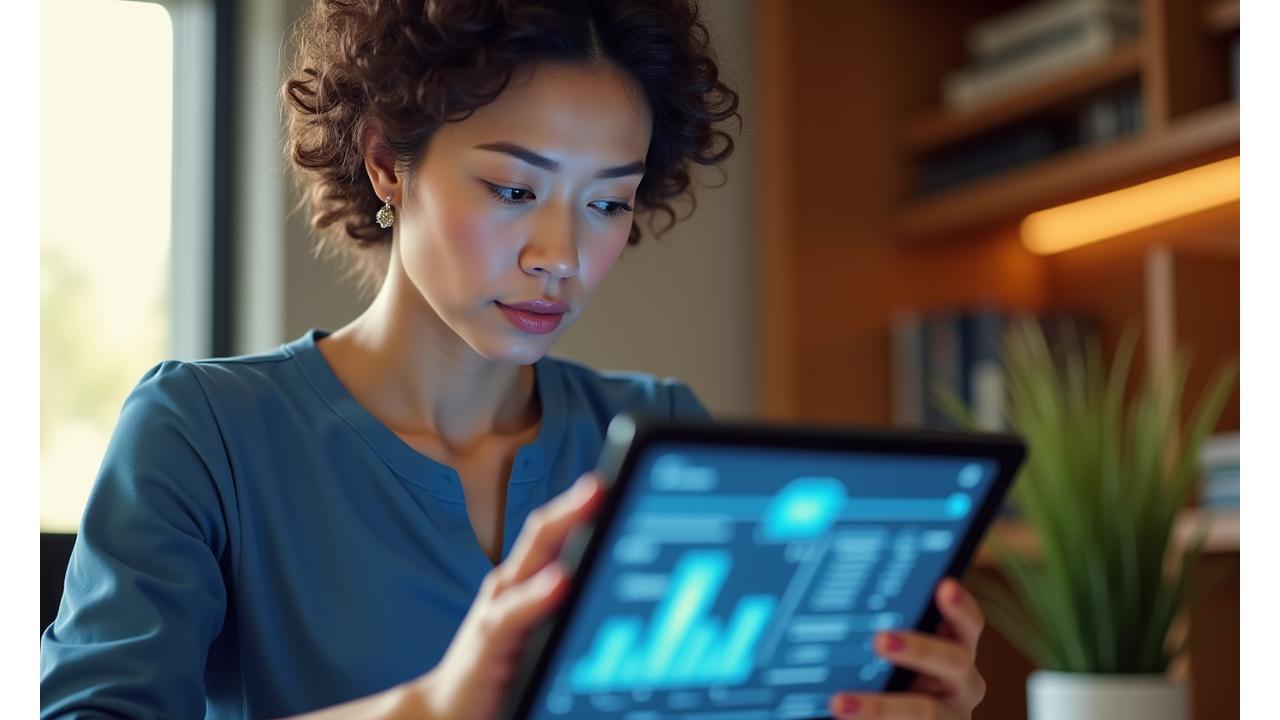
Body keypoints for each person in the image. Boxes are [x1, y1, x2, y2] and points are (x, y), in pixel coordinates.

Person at [40, 1, 989, 718]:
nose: (560, 253)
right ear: (385, 163)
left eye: (607, 203)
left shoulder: (659, 435)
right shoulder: (204, 434)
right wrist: (431, 708)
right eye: (510, 186)